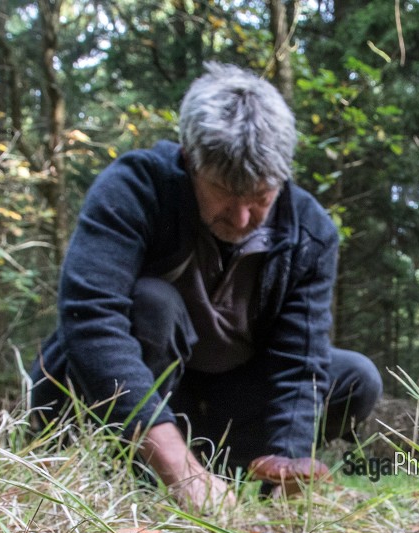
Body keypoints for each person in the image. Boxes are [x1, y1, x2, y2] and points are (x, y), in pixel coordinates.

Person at [30, 62, 382, 508]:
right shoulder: (134, 189)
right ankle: (136, 472)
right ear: (189, 160)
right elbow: (90, 316)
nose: (240, 219)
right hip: (128, 401)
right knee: (152, 304)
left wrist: (287, 459)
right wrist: (176, 462)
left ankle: (230, 480)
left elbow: (299, 359)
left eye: (259, 198)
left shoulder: (309, 232)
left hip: (221, 406)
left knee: (354, 377)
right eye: (222, 192)